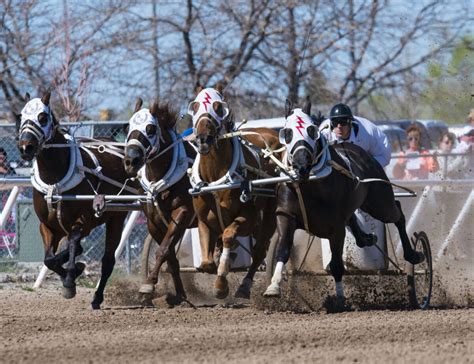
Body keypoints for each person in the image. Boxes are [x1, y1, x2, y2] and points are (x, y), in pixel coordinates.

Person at [319, 103, 392, 167]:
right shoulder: (324, 132)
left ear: (350, 122)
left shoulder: (368, 133)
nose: (339, 127)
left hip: (376, 155)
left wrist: (366, 166)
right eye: (335, 122)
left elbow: (385, 157)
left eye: (343, 122)